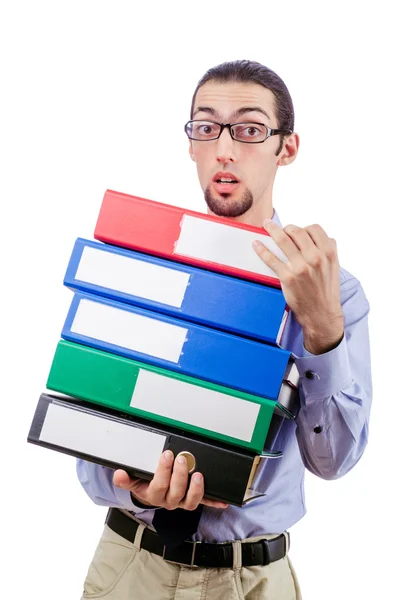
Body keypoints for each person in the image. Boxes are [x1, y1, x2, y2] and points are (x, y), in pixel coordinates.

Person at [77, 60, 372, 599]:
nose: (225, 149)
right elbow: (89, 462)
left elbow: (335, 461)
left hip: (254, 580)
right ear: (191, 144)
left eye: (251, 130)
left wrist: (322, 330)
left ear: (287, 147)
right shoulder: (142, 265)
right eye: (206, 127)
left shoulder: (335, 290)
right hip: (129, 567)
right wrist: (137, 485)